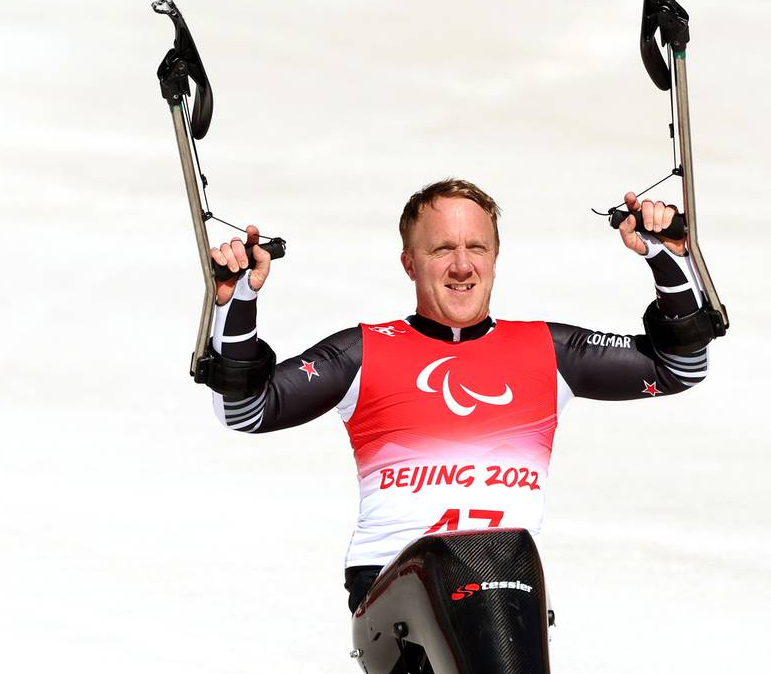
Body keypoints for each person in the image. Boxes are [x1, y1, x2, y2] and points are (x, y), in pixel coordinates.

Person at [202, 179, 715, 613]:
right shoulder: (362, 352)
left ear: (495, 257)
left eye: (477, 248)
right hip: (393, 588)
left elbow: (681, 368)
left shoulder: (546, 349)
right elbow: (246, 411)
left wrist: (667, 260)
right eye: (442, 249)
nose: (462, 265)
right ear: (409, 263)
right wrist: (237, 300)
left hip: (506, 582)